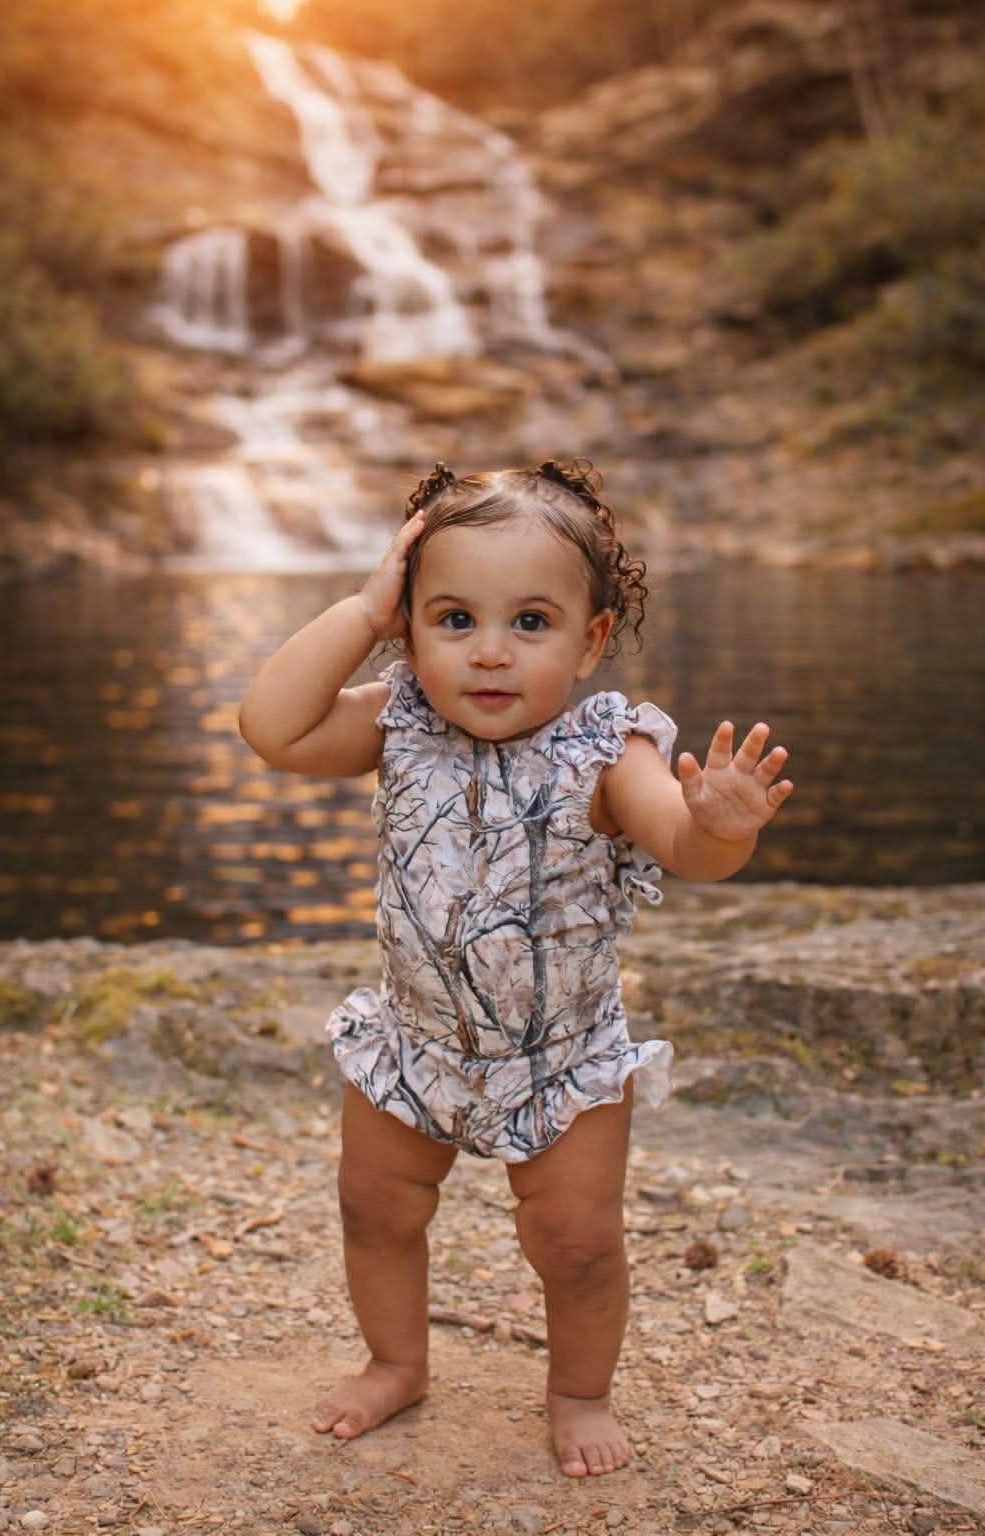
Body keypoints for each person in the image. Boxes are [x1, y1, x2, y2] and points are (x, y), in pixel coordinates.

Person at [238, 459, 794, 1479]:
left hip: (561, 1057)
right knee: (376, 1207)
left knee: (575, 1240)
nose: (489, 653)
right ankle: (395, 1362)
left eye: (529, 624)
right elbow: (271, 728)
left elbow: (680, 842)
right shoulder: (398, 721)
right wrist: (364, 609)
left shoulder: (604, 751)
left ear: (587, 642)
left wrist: (721, 828)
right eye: (452, 619)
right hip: (414, 1045)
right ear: (408, 632)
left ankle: (578, 1390)